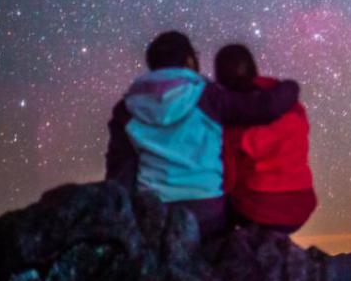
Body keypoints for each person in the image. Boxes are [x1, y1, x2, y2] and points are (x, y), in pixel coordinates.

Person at [105, 31, 300, 238]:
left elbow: (120, 171)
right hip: (207, 212)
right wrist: (290, 87)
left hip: (154, 212)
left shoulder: (126, 109)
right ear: (189, 61)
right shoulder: (208, 96)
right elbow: (264, 108)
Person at [215, 43, 317, 234]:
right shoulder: (289, 102)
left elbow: (229, 179)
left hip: (259, 209)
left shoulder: (232, 118)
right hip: (302, 204)